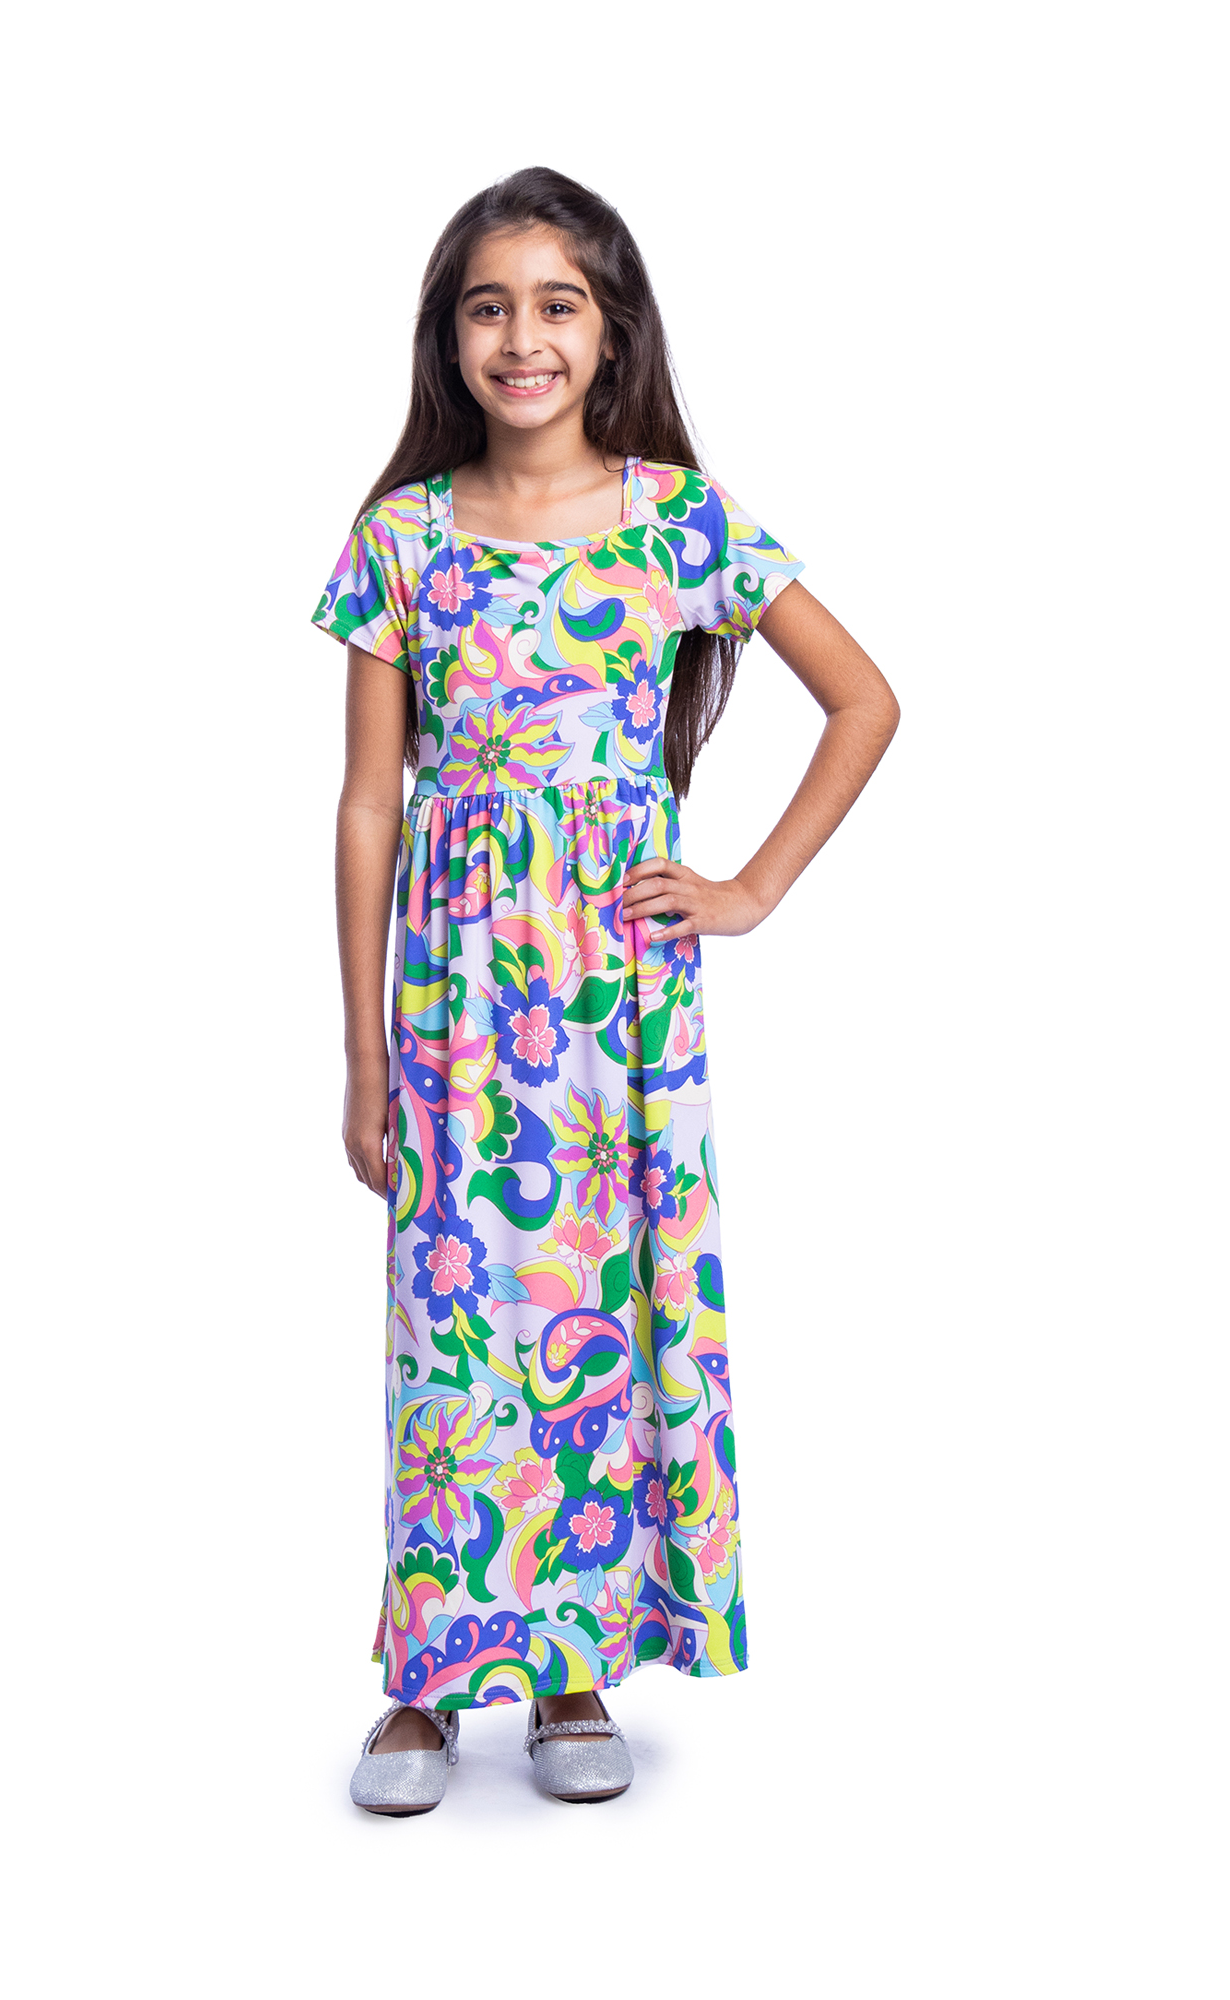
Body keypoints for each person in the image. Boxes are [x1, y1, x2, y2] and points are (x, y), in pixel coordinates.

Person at [312, 166, 900, 1815]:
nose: (524, 338)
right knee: (451, 1319)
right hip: (454, 995)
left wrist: (750, 888)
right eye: (488, 307)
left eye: (557, 305)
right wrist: (362, 1052)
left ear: (612, 330)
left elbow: (865, 700)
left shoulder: (677, 520)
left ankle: (574, 1664)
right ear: (448, 338)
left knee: (603, 1309)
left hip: (621, 999)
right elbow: (368, 804)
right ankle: (431, 1677)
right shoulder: (403, 537)